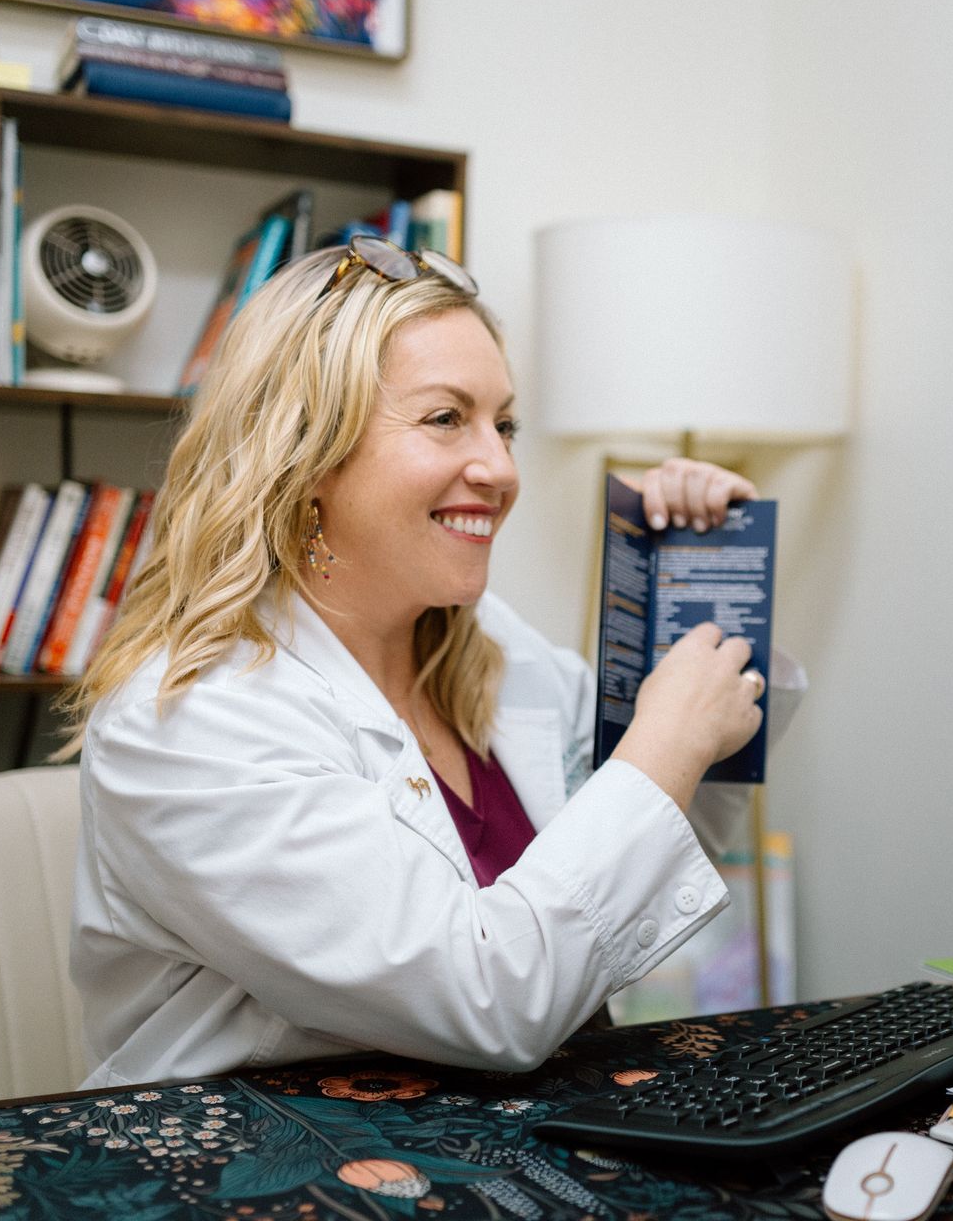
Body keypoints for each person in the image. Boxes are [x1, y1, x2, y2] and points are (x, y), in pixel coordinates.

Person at [58, 238, 771, 1087]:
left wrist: (701, 588)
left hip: (522, 1139)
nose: (501, 469)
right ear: (307, 454)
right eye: (446, 418)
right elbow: (489, 1001)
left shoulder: (487, 645)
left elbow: (675, 828)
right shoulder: (189, 722)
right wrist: (666, 742)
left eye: (503, 424)